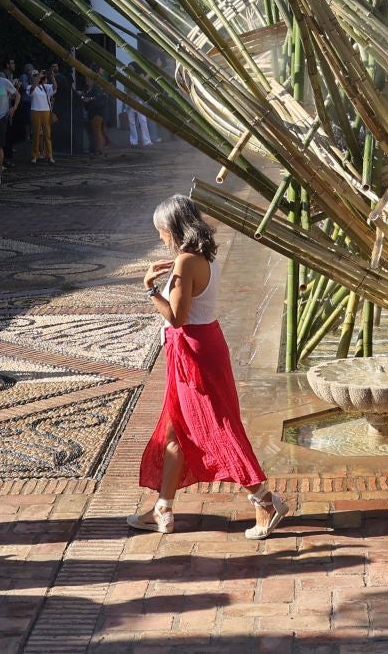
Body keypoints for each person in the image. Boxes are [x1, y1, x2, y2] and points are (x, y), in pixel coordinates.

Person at [130, 196, 286, 538]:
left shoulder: (186, 262)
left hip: (194, 353)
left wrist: (150, 289)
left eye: (161, 230)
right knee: (175, 430)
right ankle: (163, 509)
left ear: (173, 228)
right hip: (200, 346)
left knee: (215, 427)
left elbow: (177, 318)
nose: (160, 237)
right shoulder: (203, 256)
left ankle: (265, 501)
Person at [27, 68, 59, 164]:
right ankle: (35, 155)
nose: (38, 76)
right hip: (35, 111)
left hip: (46, 111)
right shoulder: (30, 87)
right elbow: (31, 91)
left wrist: (52, 77)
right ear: (32, 78)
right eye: (35, 75)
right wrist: (38, 77)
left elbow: (55, 87)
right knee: (36, 134)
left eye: (38, 75)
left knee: (47, 134)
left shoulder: (45, 86)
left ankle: (49, 155)